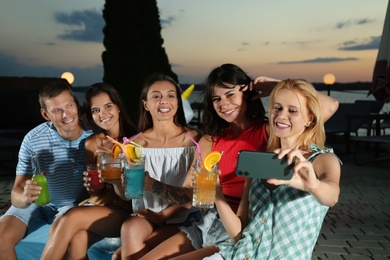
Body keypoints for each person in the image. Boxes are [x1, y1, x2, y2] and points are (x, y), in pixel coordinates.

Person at [136, 64, 339, 259]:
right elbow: (190, 194)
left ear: (247, 93)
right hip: (213, 219)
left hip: (247, 227)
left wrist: (275, 87)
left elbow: (326, 107)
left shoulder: (271, 131)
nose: (223, 104)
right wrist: (153, 186)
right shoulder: (210, 140)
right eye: (216, 99)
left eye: (230, 94)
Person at [206, 78, 342, 259]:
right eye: (277, 108)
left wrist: (312, 186)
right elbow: (239, 233)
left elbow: (331, 196)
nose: (281, 116)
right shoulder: (258, 160)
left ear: (309, 118)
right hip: (239, 254)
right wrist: (216, 192)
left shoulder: (321, 160)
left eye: (292, 110)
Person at [40, 83, 137, 259]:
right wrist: (92, 185)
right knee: (74, 239)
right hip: (99, 204)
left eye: (108, 106)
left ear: (119, 107)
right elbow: (94, 191)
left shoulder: (136, 141)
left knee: (70, 217)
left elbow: (135, 191)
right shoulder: (91, 144)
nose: (103, 114)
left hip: (126, 210)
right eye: (95, 110)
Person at [111, 73, 202, 259]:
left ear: (177, 102)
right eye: (156, 96)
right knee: (129, 227)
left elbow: (193, 196)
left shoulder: (195, 141)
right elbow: (127, 195)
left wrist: (152, 190)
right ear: (146, 104)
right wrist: (114, 181)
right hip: (146, 215)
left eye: (170, 95)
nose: (164, 101)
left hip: (185, 218)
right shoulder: (132, 146)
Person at [0, 81, 93, 260]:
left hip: (73, 207)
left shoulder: (93, 136)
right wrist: (26, 197)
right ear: (45, 114)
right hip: (37, 205)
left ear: (76, 104)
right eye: (57, 110)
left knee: (70, 243)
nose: (66, 114)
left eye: (69, 106)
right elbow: (16, 195)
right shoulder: (33, 139)